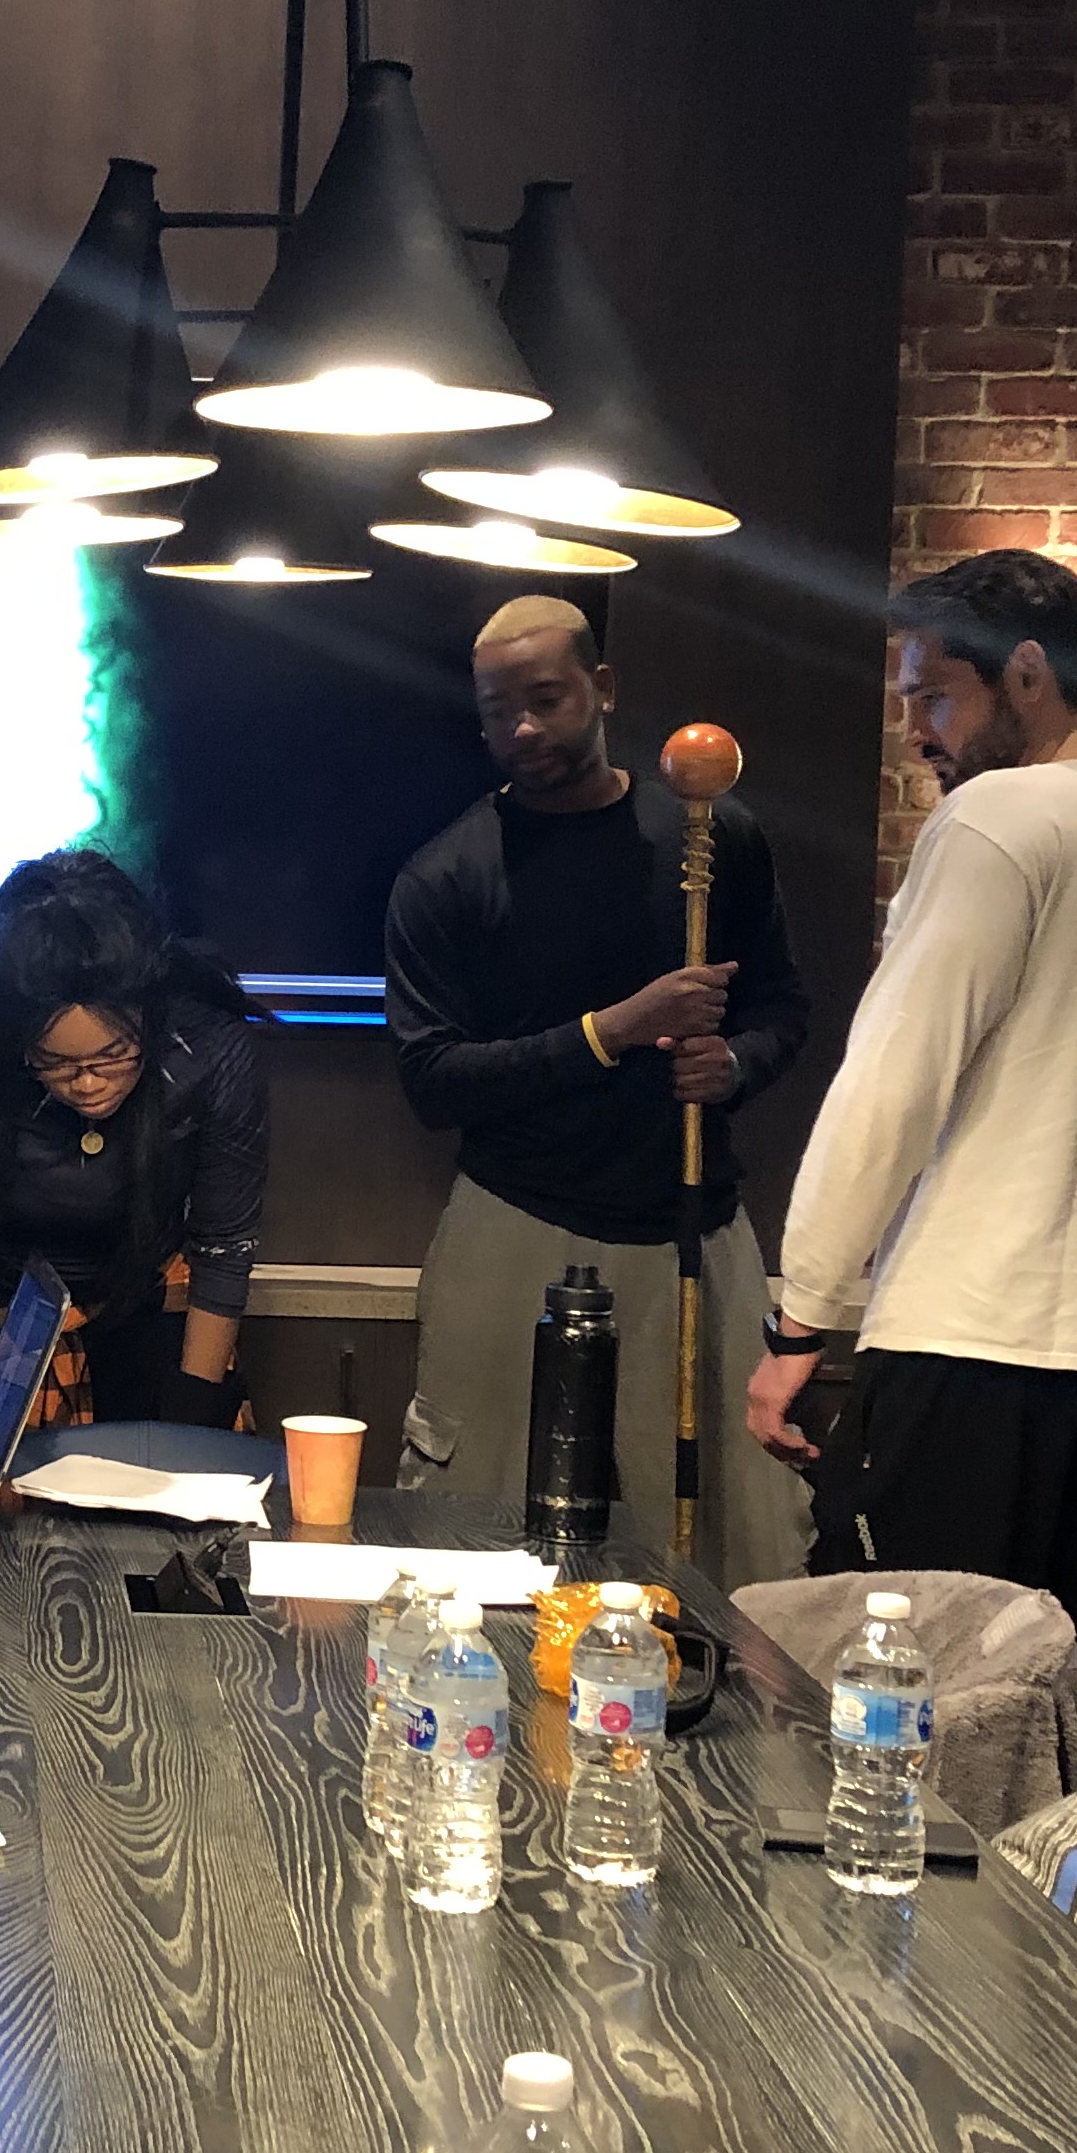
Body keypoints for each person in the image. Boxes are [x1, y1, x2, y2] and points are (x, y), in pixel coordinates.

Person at [743, 548, 1077, 1764]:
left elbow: (891, 1084)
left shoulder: (996, 823)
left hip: (969, 1345)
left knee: (897, 1721)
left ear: (1024, 674)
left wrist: (801, 1318)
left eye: (934, 695)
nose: (917, 729)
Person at [382, 595, 815, 1582]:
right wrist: (610, 1031)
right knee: (464, 1533)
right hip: (514, 1222)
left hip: (689, 1226)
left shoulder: (712, 838)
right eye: (498, 711)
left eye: (545, 700)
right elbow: (434, 1082)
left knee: (740, 1541)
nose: (522, 729)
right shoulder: (447, 876)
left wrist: (734, 1064)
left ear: (603, 687)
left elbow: (781, 1006)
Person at [0, 850, 267, 1445]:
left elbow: (222, 1253)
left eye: (113, 1056)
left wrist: (194, 1430)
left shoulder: (211, 1047)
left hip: (149, 1301)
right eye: (56, 1064)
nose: (87, 1084)